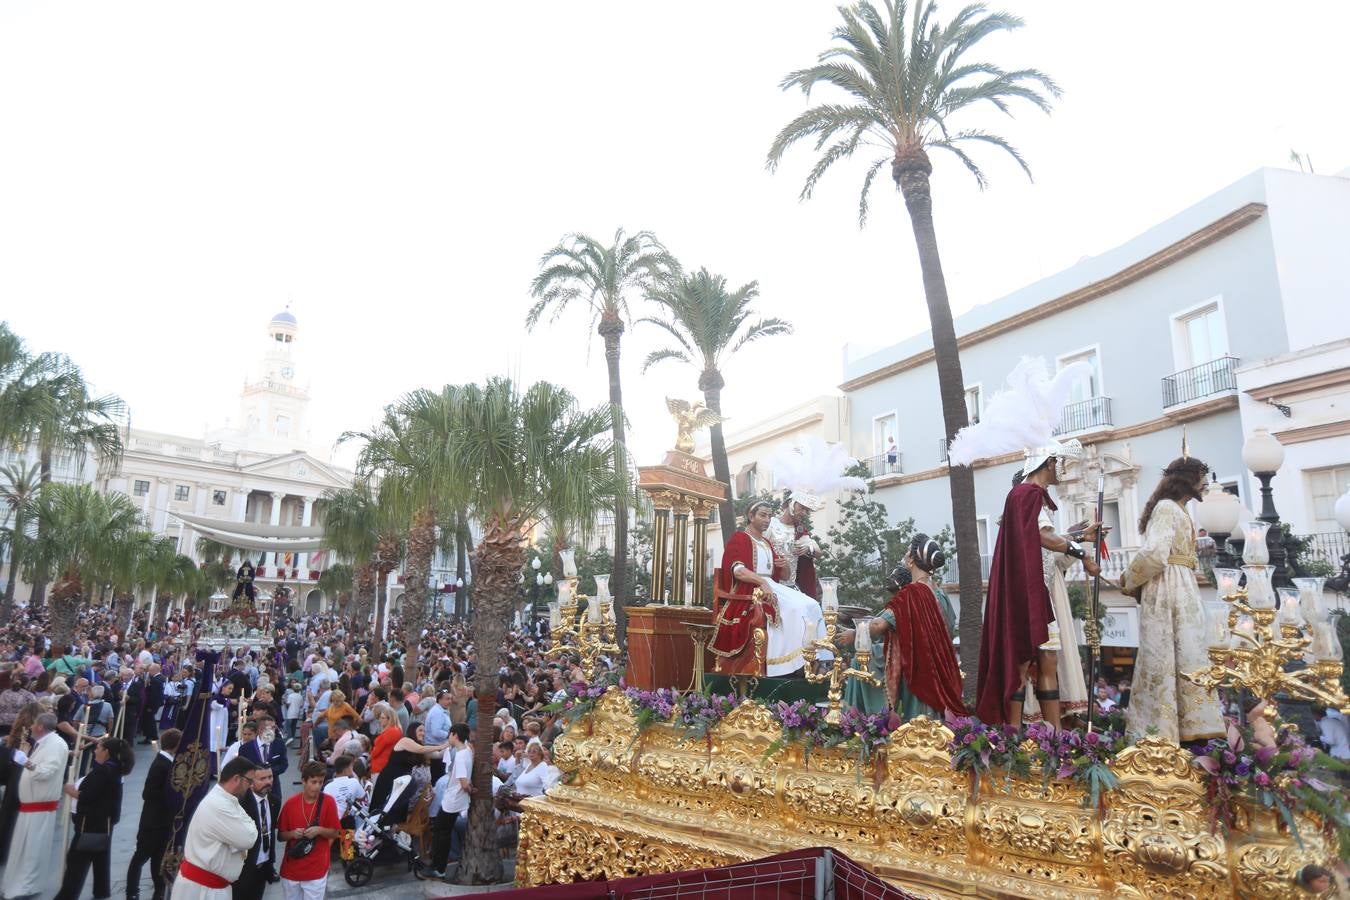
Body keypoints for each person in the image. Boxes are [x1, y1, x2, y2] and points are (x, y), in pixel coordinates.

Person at [976, 442, 1101, 728]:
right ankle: (1013, 733)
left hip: (1039, 596)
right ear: (1048, 463)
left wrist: (1080, 537)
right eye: (1060, 463)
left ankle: (1054, 735)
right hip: (1026, 595)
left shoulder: (1033, 497)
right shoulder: (1025, 494)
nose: (1062, 469)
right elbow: (1043, 537)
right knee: (1020, 664)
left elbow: (1049, 540)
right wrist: (1082, 555)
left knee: (1049, 662)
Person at [1121, 455, 1225, 745]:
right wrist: (1131, 578)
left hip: (1171, 587)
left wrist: (1129, 579)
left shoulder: (1173, 509)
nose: (1205, 484)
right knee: (1174, 653)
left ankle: (1164, 730)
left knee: (1167, 655)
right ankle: (1171, 733)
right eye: (1201, 477)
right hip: (1174, 587)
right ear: (1186, 480)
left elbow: (1153, 554)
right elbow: (1156, 553)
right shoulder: (1171, 509)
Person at [839, 535, 965, 721]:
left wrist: (855, 633)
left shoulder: (910, 594)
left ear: (912, 559)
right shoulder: (941, 595)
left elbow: (878, 625)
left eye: (907, 551)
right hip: (943, 672)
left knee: (916, 730)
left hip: (919, 671)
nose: (905, 555)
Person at [710, 500, 824, 678]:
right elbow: (738, 570)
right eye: (762, 515)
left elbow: (784, 576)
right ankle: (783, 665)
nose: (767, 519)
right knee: (796, 608)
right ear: (750, 516)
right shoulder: (740, 538)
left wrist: (785, 565)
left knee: (812, 605)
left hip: (773, 587)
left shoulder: (766, 542)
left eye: (769, 516)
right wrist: (762, 583)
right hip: (750, 590)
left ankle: (813, 658)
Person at [53, 736, 135, 900]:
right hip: (104, 822)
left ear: (107, 752)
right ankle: (101, 892)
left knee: (76, 864)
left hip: (90, 824)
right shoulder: (115, 769)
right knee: (100, 859)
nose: (95, 751)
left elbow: (87, 795)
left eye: (99, 748)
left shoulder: (103, 771)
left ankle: (66, 896)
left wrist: (70, 790)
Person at [169, 756, 259, 900]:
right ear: (236, 779)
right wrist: (245, 831)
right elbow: (249, 839)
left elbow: (250, 828)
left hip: (211, 888)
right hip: (201, 891)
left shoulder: (226, 799)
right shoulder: (219, 805)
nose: (251, 786)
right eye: (249, 781)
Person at [1, 711, 66, 900]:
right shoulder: (44, 743)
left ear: (39, 727)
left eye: (33, 725)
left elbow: (46, 772)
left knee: (32, 851)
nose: (30, 728)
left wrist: (27, 763)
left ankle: (27, 886)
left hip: (40, 808)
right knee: (20, 850)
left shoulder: (55, 745)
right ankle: (15, 883)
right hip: (29, 808)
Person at [127, 727, 181, 900]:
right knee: (140, 858)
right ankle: (132, 891)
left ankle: (158, 890)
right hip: (153, 823)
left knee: (158, 859)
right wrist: (171, 793)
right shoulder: (161, 765)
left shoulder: (167, 763)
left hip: (163, 822)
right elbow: (148, 792)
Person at [277, 761, 341, 900]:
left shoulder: (328, 802)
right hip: (292, 870)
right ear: (303, 781)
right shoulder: (290, 804)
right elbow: (281, 836)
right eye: (313, 782)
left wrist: (319, 830)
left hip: (316, 870)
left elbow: (335, 833)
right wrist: (293, 833)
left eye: (320, 782)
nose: (317, 786)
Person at [369, 721, 446, 814]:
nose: (423, 733)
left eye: (424, 731)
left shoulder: (420, 747)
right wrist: (443, 745)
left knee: (394, 811)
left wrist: (451, 744)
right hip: (389, 778)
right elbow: (420, 749)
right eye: (420, 730)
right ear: (413, 731)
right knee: (381, 806)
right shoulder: (405, 740)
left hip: (402, 783)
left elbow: (438, 755)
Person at [428, 724, 472, 878]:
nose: (449, 737)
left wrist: (471, 790)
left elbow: (464, 783)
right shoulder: (467, 750)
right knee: (442, 832)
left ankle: (439, 868)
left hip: (453, 800)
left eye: (450, 734)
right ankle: (438, 865)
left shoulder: (460, 755)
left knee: (442, 833)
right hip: (454, 800)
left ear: (454, 735)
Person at [233, 762, 277, 900]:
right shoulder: (240, 803)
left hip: (263, 867)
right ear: (251, 782)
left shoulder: (274, 801)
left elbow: (271, 832)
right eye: (262, 779)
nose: (268, 782)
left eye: (270, 777)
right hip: (244, 870)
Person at [322, 756, 363, 823]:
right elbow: (362, 797)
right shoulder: (354, 781)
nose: (352, 770)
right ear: (345, 770)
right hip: (345, 822)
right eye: (351, 767)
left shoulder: (327, 786)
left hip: (330, 821)